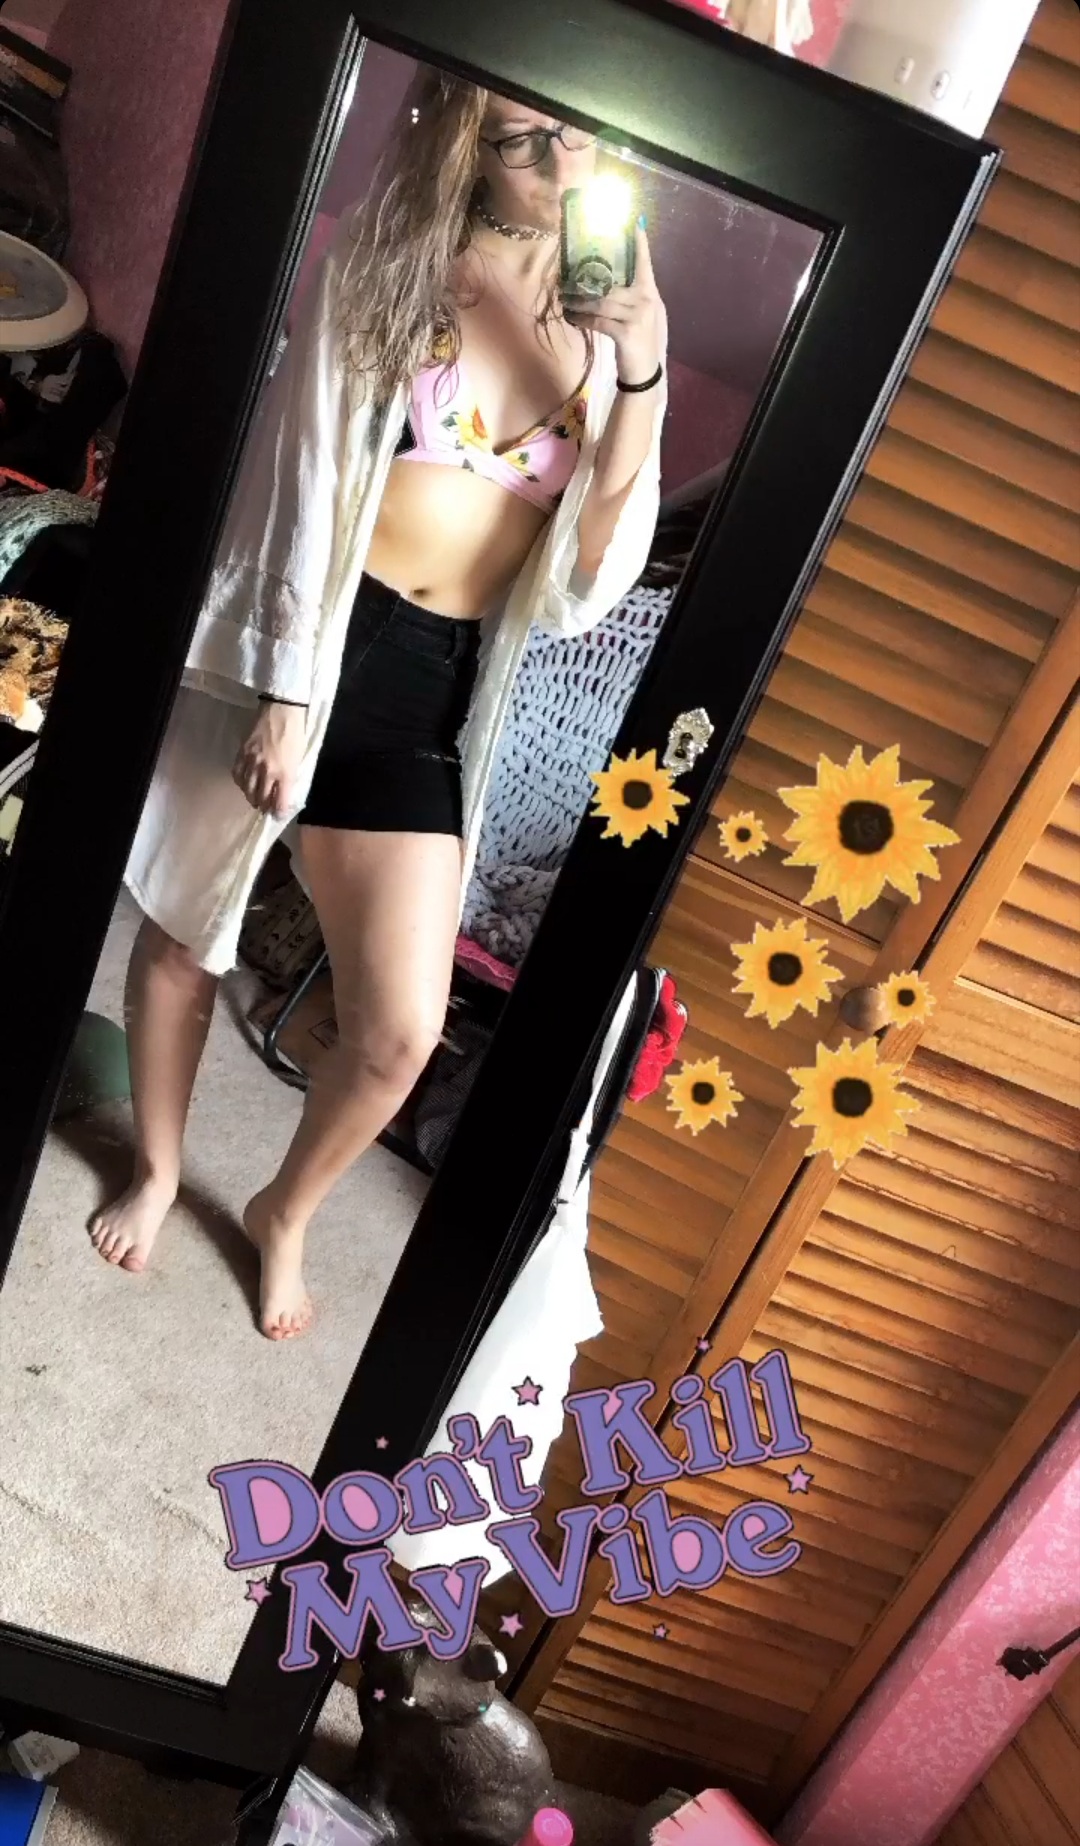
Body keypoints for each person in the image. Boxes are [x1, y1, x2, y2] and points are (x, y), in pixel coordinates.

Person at [88, 66, 668, 1340]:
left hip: (432, 683)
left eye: (582, 137)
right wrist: (287, 690)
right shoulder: (396, 255)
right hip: (312, 627)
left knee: (401, 1032)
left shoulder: (616, 316)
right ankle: (159, 1166)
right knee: (190, 929)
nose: (559, 162)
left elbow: (587, 579)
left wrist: (640, 374)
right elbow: (303, 472)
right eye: (526, 137)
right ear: (471, 134)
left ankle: (284, 1208)